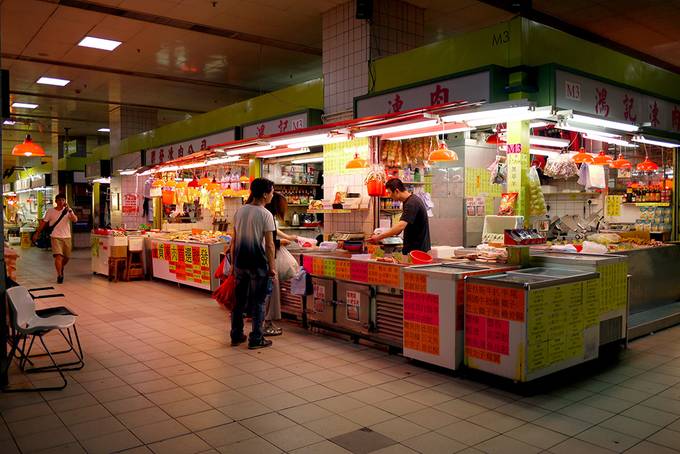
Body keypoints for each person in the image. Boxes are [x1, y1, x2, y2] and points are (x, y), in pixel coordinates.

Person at [230, 178, 277, 349]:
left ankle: (236, 335)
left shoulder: (240, 211)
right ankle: (256, 338)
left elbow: (233, 240)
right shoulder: (266, 214)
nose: (273, 195)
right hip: (258, 264)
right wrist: (272, 268)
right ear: (265, 194)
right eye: (272, 191)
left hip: (240, 262)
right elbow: (270, 245)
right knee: (258, 302)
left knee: (239, 301)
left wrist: (233, 263)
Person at [263, 192, 298, 336]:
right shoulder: (266, 215)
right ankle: (265, 325)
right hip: (268, 261)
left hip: (265, 260)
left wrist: (287, 237)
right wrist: (282, 242)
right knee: (269, 294)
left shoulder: (262, 214)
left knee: (268, 294)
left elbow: (273, 231)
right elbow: (266, 242)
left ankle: (266, 323)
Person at [369, 178, 430, 254]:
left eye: (389, 193)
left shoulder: (411, 203)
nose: (389, 195)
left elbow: (400, 227)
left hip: (417, 251)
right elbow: (399, 229)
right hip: (414, 248)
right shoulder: (409, 201)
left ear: (397, 191)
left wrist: (378, 237)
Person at [32, 193, 78, 284]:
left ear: (65, 201)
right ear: (56, 201)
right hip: (55, 236)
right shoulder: (50, 211)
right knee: (58, 256)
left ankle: (60, 267)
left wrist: (70, 211)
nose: (61, 202)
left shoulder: (68, 211)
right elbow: (43, 223)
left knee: (67, 257)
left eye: (63, 200)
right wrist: (37, 233)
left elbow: (75, 220)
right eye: (59, 200)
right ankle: (59, 275)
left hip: (67, 237)